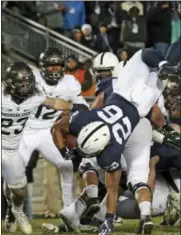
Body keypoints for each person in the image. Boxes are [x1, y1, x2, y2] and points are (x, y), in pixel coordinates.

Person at [46, 50, 179, 235]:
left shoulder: (109, 148)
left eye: (104, 71)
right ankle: (136, 214)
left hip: (139, 111)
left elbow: (112, 188)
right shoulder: (86, 119)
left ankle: (90, 201)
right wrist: (163, 136)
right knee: (144, 54)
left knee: (97, 167)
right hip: (135, 110)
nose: (101, 76)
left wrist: (64, 152)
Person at [2, 61, 73, 234]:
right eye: (21, 83)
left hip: (11, 149)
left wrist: (77, 107)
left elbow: (56, 103)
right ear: (10, 83)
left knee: (18, 191)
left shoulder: (35, 96)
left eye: (27, 82)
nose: (25, 87)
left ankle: (15, 210)